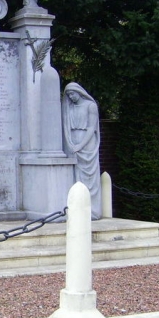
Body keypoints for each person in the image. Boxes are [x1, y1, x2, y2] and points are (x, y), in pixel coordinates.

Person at [62, 82, 102, 219]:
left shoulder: (90, 106)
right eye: (68, 95)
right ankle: (77, 207)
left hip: (86, 143)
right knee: (76, 176)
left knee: (89, 177)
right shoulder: (69, 108)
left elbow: (91, 128)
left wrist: (80, 145)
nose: (71, 97)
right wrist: (71, 143)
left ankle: (92, 210)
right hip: (72, 141)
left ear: (79, 92)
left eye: (72, 93)